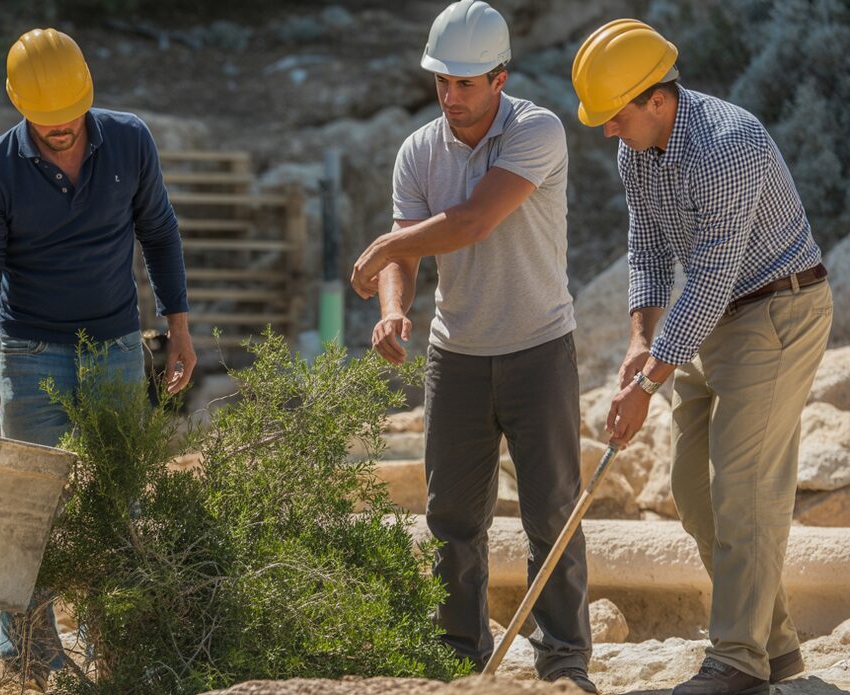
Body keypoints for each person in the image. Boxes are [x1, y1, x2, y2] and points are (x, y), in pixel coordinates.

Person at [572, 19, 833, 695]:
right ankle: (775, 649)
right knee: (692, 490)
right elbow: (651, 249)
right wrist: (638, 341)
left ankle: (737, 659)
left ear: (657, 98)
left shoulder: (730, 146)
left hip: (778, 309)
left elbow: (713, 275)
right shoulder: (638, 151)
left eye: (615, 115)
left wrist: (649, 380)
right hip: (716, 319)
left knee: (744, 488)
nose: (607, 130)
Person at [349, 1, 594, 690]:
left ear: (500, 77)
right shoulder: (417, 151)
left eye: (465, 83)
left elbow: (473, 220)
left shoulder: (537, 130)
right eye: (441, 82)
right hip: (454, 357)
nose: (450, 96)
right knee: (452, 516)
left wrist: (386, 243)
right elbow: (412, 249)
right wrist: (394, 310)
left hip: (540, 349)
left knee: (552, 508)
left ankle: (565, 660)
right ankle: (459, 655)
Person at [0, 27, 196, 678]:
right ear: (17, 103)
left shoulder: (129, 140)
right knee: (24, 503)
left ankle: (117, 641)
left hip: (117, 345)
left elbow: (160, 232)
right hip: (30, 352)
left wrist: (179, 328)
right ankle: (28, 651)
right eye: (46, 120)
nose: (61, 130)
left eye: (70, 117)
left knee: (121, 495)